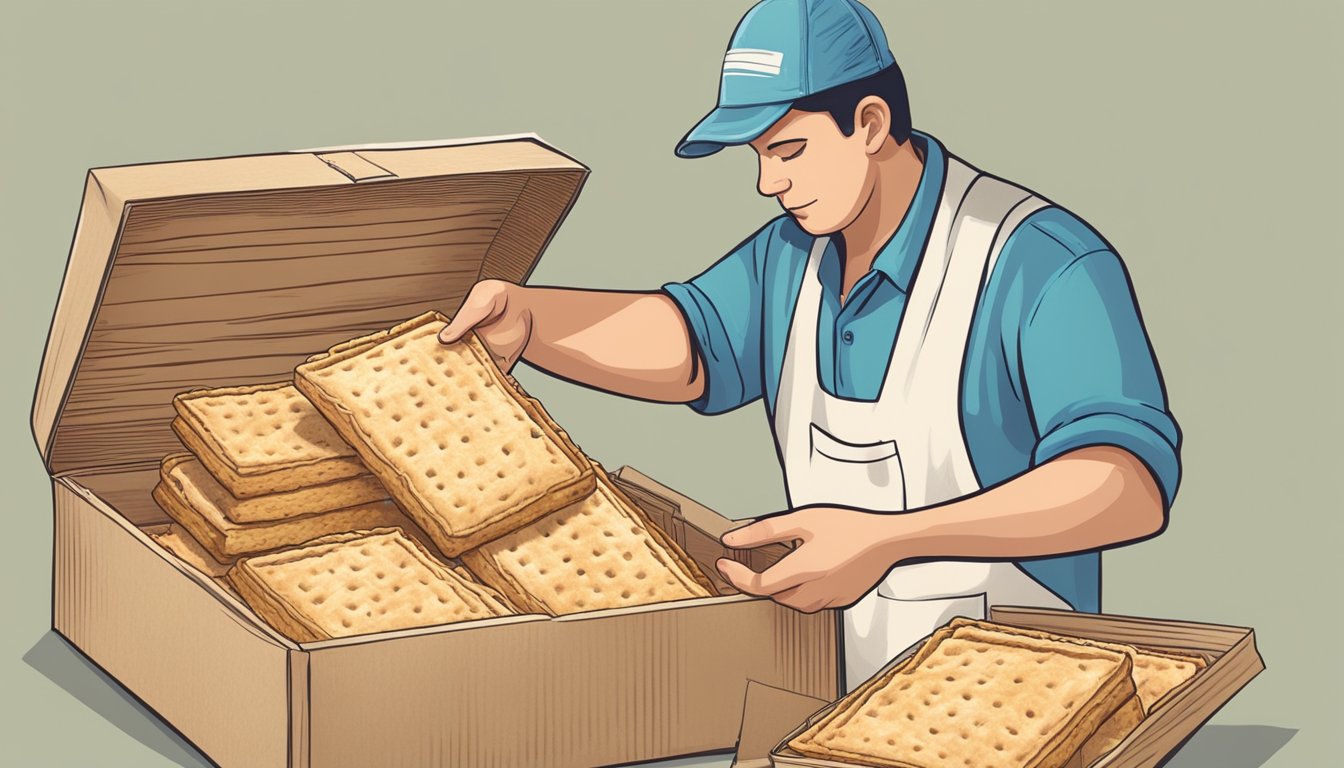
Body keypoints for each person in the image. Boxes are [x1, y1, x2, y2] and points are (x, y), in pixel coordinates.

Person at [440, 0, 1179, 690]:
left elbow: (1125, 486)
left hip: (1021, 689)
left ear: (868, 121)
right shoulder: (792, 255)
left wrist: (890, 540)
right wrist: (534, 318)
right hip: (833, 690)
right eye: (757, 155)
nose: (768, 182)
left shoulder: (1041, 262)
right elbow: (693, 343)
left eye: (788, 149)